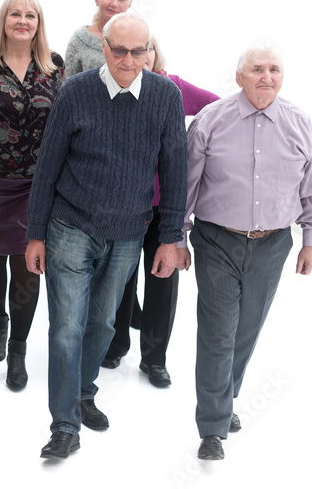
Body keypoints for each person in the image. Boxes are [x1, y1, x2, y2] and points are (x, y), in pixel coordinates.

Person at [25, 12, 186, 459]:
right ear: (104, 49)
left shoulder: (164, 96)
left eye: (139, 51)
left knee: (103, 323)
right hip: (70, 225)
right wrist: (35, 233)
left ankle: (83, 391)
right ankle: (64, 426)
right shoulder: (75, 92)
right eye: (120, 50)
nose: (130, 60)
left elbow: (175, 171)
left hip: (130, 232)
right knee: (66, 327)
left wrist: (171, 237)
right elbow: (48, 166)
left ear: (149, 50)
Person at [178, 47, 312, 461]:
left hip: (273, 244)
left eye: (275, 70)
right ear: (239, 77)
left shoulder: (299, 123)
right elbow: (186, 185)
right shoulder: (212, 120)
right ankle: (212, 428)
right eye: (257, 69)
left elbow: (311, 188)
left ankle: (224, 398)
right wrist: (177, 236)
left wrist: (311, 239)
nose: (266, 77)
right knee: (218, 332)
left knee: (247, 330)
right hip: (217, 239)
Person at [102, 36, 219, 385]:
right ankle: (114, 345)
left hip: (164, 205)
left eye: (146, 47)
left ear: (153, 53)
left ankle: (154, 359)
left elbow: (218, 107)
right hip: (121, 204)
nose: (140, 55)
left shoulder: (173, 87)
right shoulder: (112, 88)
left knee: (162, 282)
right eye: (131, 48)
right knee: (119, 279)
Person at [0, 0, 64, 390]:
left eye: (31, 15)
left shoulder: (54, 66)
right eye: (16, 14)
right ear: (4, 20)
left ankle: (18, 349)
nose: (23, 21)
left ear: (38, 23)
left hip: (38, 183)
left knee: (27, 262)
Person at [64, 0, 132, 78]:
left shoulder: (138, 39)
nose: (114, 4)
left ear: (130, 4)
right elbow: (67, 84)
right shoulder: (79, 39)